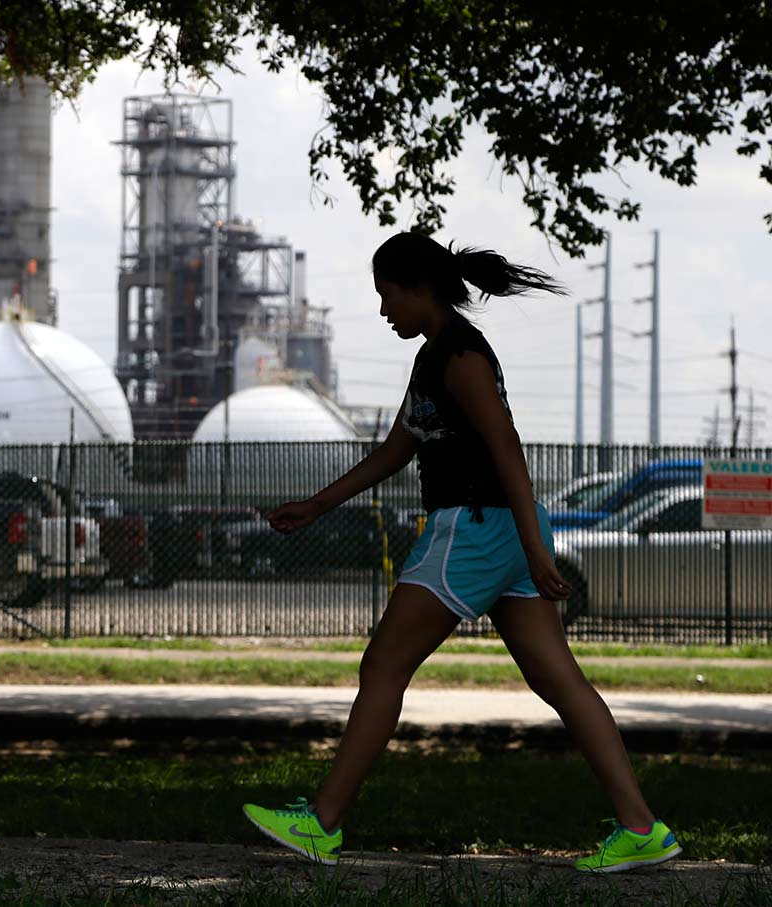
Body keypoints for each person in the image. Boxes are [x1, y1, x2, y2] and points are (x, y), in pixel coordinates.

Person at [242, 232, 681, 874]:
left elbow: (508, 451)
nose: (384, 310)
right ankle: (643, 828)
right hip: (497, 535)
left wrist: (536, 551)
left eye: (387, 297)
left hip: (472, 532)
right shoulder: (433, 357)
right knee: (559, 680)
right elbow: (397, 450)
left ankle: (323, 824)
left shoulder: (461, 354)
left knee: (384, 665)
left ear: (419, 289)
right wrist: (317, 505)